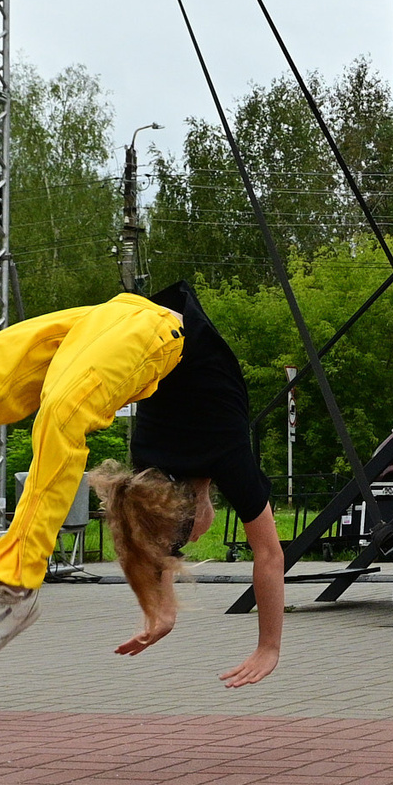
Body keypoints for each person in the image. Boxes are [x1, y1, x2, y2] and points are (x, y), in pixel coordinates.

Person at [0, 292, 205, 669]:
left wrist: (168, 607)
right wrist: (202, 495)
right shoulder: (197, 415)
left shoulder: (204, 374)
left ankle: (15, 584)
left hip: (150, 328)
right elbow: (158, 486)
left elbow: (268, 554)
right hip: (106, 312)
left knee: (63, 413)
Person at [124, 280, 284, 685]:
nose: (190, 541)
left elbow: (160, 547)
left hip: (147, 333)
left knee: (151, 528)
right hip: (171, 332)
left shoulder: (163, 464)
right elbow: (269, 555)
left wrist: (163, 610)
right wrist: (268, 647)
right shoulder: (222, 456)